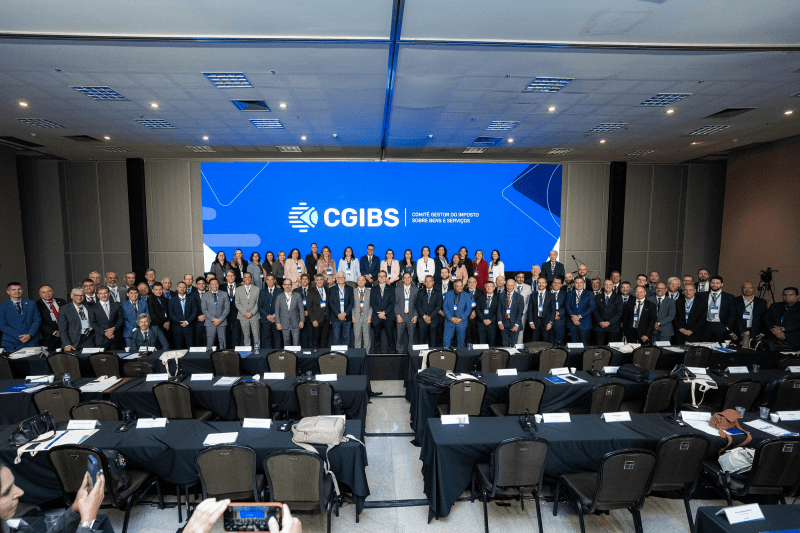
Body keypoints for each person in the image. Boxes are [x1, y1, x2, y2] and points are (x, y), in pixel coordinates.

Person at [1, 460, 107, 533]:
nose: (20, 492)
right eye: (7, 491)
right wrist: (88, 522)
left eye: (14, 484)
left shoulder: (11, 526)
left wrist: (74, 510)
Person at [370, 271, 396, 353]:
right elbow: (372, 302)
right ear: (378, 278)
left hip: (388, 316)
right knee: (377, 337)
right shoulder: (373, 289)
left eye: (383, 276)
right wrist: (379, 313)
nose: (381, 278)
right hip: (377, 316)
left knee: (391, 336)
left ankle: (391, 353)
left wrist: (384, 312)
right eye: (380, 276)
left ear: (386, 278)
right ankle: (377, 353)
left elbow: (393, 302)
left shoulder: (391, 288)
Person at [704, 275, 735, 342]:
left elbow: (732, 314)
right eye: (713, 283)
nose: (714, 285)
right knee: (705, 346)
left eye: (717, 283)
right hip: (706, 325)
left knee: (718, 346)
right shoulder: (703, 295)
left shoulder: (729, 297)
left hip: (720, 325)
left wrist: (727, 327)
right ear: (710, 283)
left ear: (722, 284)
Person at [591, 279, 623, 345]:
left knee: (612, 348)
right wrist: (600, 322)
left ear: (613, 286)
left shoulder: (618, 298)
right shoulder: (597, 297)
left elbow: (619, 312)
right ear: (603, 286)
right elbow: (595, 311)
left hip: (613, 327)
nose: (608, 286)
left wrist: (609, 322)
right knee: (598, 348)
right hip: (599, 327)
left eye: (610, 285)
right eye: (606, 284)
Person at [36, 285, 66, 352]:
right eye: (43, 292)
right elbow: (38, 322)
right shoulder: (37, 305)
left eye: (49, 291)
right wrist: (53, 332)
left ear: (53, 292)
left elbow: (68, 317)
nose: (47, 294)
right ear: (40, 294)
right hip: (48, 338)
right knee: (51, 357)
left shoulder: (62, 301)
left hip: (64, 336)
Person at [565, 277, 595, 345]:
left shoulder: (590, 294)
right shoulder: (569, 293)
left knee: (585, 345)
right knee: (573, 345)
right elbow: (567, 306)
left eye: (581, 282)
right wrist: (573, 317)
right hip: (572, 323)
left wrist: (579, 317)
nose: (579, 284)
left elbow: (591, 308)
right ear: (574, 284)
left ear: (584, 284)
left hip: (585, 324)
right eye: (577, 282)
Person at [274, 279, 304, 346]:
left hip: (295, 323)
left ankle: (296, 353)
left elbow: (301, 309)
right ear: (283, 286)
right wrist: (278, 323)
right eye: (286, 284)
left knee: (296, 342)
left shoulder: (297, 295)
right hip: (284, 323)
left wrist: (302, 321)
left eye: (289, 284)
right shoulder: (279, 297)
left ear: (291, 285)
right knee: (286, 342)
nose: (288, 286)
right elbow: (277, 311)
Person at [201, 279, 229, 349]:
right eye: (212, 284)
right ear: (209, 286)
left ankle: (223, 355)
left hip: (222, 322)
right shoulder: (205, 295)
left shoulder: (224, 294)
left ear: (218, 284)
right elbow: (204, 309)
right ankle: (210, 355)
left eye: (216, 284)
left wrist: (220, 319)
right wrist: (213, 319)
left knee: (222, 343)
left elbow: (227, 308)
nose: (214, 286)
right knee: (210, 343)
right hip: (210, 323)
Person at [443, 279, 471, 347]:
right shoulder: (447, 294)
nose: (460, 287)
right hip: (449, 321)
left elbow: (468, 309)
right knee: (446, 340)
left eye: (461, 286)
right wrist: (451, 318)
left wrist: (461, 319)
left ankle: (460, 354)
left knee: (461, 342)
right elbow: (445, 307)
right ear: (454, 287)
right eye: (458, 286)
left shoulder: (467, 295)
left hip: (461, 322)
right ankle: (446, 353)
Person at [169, 281, 197, 350]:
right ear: (177, 288)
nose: (182, 289)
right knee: (178, 349)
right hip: (177, 328)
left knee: (190, 348)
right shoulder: (172, 300)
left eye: (184, 287)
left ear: (186, 289)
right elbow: (171, 314)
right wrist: (180, 322)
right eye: (180, 287)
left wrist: (187, 322)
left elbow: (194, 312)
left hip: (189, 327)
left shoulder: (192, 298)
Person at [328, 272, 354, 347]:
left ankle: (346, 353)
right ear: (336, 279)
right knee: (336, 338)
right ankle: (337, 353)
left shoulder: (350, 288)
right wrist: (338, 314)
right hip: (336, 317)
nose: (341, 279)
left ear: (345, 279)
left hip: (347, 317)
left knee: (346, 337)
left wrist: (345, 314)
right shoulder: (332, 289)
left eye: (342, 277)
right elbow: (330, 303)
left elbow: (352, 303)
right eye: (339, 277)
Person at [235, 272, 260, 348]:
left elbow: (258, 303)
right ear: (243, 279)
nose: (247, 279)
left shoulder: (257, 289)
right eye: (245, 277)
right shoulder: (238, 289)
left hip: (254, 316)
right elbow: (237, 303)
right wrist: (245, 313)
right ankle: (247, 350)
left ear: (251, 279)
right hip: (243, 316)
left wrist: (251, 313)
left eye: (249, 277)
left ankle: (257, 350)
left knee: (256, 335)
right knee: (246, 335)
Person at [395, 272, 418, 352]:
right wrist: (398, 315)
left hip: (411, 316)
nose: (407, 279)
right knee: (399, 336)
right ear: (403, 279)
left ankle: (411, 352)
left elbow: (417, 304)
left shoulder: (416, 290)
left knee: (412, 337)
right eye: (405, 277)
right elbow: (395, 303)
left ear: (411, 279)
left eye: (409, 277)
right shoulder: (397, 289)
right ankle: (399, 351)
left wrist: (415, 316)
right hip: (401, 316)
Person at [415, 275, 441, 346]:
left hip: (433, 319)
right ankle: (422, 353)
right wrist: (424, 316)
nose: (428, 283)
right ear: (424, 282)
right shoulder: (420, 291)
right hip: (422, 319)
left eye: (430, 281)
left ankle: (433, 352)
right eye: (426, 281)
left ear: (433, 282)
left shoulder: (438, 292)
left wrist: (430, 317)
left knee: (433, 340)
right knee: (422, 340)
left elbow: (438, 306)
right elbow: (418, 305)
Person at [258, 274, 282, 349]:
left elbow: (282, 306)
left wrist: (274, 316)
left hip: (277, 319)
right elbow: (260, 306)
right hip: (266, 320)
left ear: (274, 281)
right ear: (266, 281)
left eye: (271, 279)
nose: (270, 281)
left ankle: (277, 354)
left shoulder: (280, 291)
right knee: (267, 339)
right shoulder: (262, 292)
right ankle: (268, 354)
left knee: (277, 338)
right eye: (268, 279)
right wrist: (268, 316)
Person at [306, 274, 330, 349]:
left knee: (324, 340)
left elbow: (330, 304)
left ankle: (323, 354)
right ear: (315, 281)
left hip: (326, 319)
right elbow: (309, 307)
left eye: (321, 279)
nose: (319, 281)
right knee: (316, 341)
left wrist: (330, 318)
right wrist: (313, 320)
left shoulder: (328, 290)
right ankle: (316, 355)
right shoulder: (311, 291)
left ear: (324, 280)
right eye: (317, 280)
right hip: (316, 320)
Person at [526, 277, 554, 343]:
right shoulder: (532, 295)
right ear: (537, 284)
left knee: (546, 342)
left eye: (543, 283)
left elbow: (553, 310)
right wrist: (530, 322)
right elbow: (530, 309)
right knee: (534, 342)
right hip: (535, 322)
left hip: (546, 322)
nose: (541, 284)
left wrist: (550, 322)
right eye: (539, 282)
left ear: (546, 284)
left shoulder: (551, 295)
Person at [498, 279, 523, 347]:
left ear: (514, 286)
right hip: (503, 323)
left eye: (511, 285)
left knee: (514, 345)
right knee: (505, 344)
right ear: (506, 285)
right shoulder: (501, 295)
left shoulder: (520, 297)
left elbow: (520, 313)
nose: (509, 287)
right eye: (508, 285)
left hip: (514, 323)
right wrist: (499, 322)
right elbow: (499, 310)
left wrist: (516, 325)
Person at [352, 276, 372, 351]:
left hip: (366, 317)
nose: (361, 282)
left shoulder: (369, 291)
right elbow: (351, 305)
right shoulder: (353, 291)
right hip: (356, 317)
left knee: (367, 337)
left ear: (365, 281)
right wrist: (352, 316)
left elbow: (371, 305)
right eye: (359, 280)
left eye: (363, 280)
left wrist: (370, 316)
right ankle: (358, 354)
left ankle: (367, 354)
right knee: (357, 337)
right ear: (357, 282)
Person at [223, 270, 242, 348]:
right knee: (225, 335)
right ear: (226, 277)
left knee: (236, 335)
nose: (230, 277)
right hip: (224, 316)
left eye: (232, 275)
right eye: (228, 276)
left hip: (237, 315)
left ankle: (235, 352)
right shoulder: (221, 287)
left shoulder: (240, 286)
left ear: (235, 276)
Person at [293, 274, 312, 348]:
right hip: (300, 318)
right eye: (303, 279)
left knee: (311, 336)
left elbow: (316, 304)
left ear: (309, 281)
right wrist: (301, 313)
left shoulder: (313, 290)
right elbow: (294, 305)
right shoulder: (295, 291)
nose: (304, 280)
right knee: (302, 337)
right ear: (300, 281)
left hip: (311, 317)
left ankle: (310, 352)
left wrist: (309, 312)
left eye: (306, 279)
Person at [513, 272, 532, 344]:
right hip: (512, 313)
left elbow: (528, 302)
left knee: (521, 330)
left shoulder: (528, 287)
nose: (520, 279)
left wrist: (522, 311)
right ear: (515, 278)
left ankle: (519, 346)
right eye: (519, 277)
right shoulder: (512, 285)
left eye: (522, 277)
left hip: (523, 313)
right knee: (512, 330)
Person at [190, 277, 208, 347]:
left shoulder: (210, 293)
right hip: (197, 323)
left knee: (208, 343)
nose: (201, 285)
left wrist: (206, 315)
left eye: (203, 283)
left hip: (209, 322)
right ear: (196, 285)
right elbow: (190, 309)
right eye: (199, 283)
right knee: (198, 344)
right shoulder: (191, 295)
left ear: (206, 284)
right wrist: (197, 317)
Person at [549, 278, 567, 347]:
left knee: (559, 341)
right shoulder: (547, 293)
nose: (556, 284)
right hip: (548, 320)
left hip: (560, 320)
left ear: (561, 285)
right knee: (549, 341)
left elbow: (566, 306)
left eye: (558, 283)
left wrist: (558, 313)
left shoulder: (565, 294)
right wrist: (552, 314)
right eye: (555, 282)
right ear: (552, 284)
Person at [464, 277, 480, 344]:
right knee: (467, 335)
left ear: (476, 283)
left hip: (477, 316)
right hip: (467, 317)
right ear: (467, 283)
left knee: (476, 336)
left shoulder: (480, 292)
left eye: (473, 282)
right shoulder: (464, 292)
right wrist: (469, 312)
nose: (472, 284)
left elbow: (481, 304)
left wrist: (475, 311)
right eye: (470, 282)